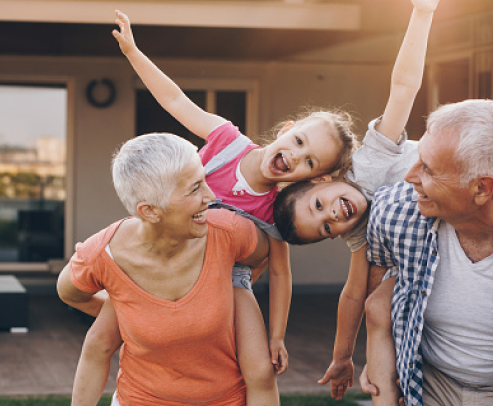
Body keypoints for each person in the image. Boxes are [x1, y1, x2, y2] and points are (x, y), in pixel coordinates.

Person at [69, 10, 358, 406]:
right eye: (300, 142)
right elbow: (174, 99)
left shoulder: (274, 210)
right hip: (164, 251)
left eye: (310, 163)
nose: (296, 157)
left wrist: (276, 337)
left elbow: (280, 272)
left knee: (257, 368)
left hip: (227, 280)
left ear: (312, 179)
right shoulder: (227, 141)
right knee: (102, 337)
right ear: (288, 128)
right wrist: (134, 53)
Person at [271, 0, 438, 402]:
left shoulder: (368, 164)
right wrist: (342, 356)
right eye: (327, 228)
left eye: (318, 206)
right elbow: (353, 292)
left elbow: (403, 88)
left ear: (323, 179)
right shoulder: (363, 232)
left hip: (474, 180)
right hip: (450, 240)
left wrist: (422, 12)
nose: (333, 216)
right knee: (379, 302)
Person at [57, 132, 270, 406]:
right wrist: (125, 312)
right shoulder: (103, 254)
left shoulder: (229, 232)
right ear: (150, 211)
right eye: (194, 189)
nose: (210, 195)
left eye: (204, 180)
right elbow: (70, 293)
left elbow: (265, 255)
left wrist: (227, 291)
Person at [358, 98, 493, 406]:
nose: (410, 176)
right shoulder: (394, 210)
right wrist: (385, 358)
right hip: (431, 383)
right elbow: (380, 278)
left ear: (481, 188)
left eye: (428, 169)